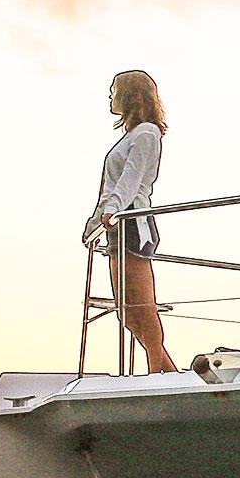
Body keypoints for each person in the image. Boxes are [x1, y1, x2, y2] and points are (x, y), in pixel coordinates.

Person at [85, 69, 177, 373]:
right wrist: (94, 222)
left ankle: (155, 376)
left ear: (131, 95)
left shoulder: (147, 133)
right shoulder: (130, 136)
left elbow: (131, 180)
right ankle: (172, 374)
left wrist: (112, 210)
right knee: (127, 314)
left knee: (143, 309)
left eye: (115, 90)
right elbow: (110, 185)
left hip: (133, 224)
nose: (110, 96)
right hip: (117, 225)